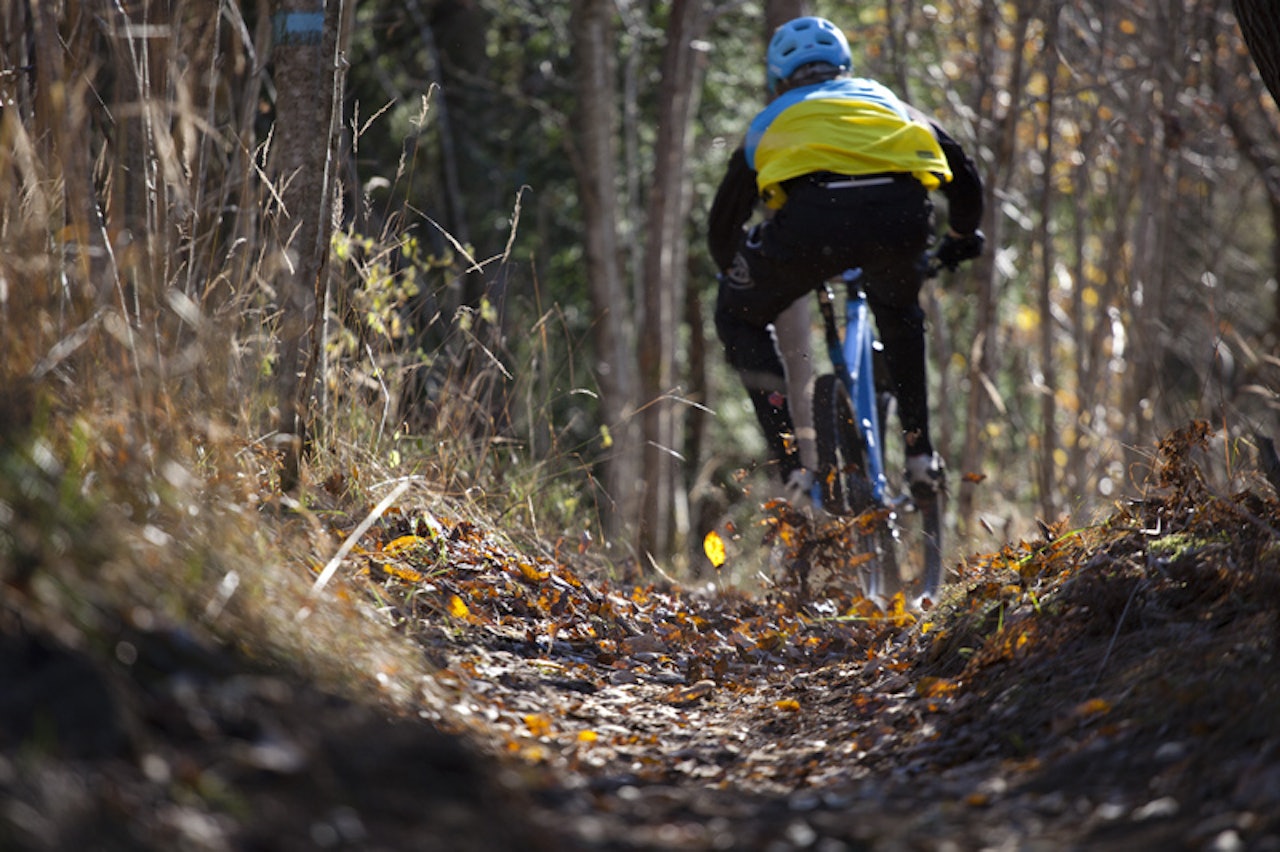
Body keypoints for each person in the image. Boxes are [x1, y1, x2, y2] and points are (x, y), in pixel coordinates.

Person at [708, 15, 985, 504]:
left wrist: (735, 270)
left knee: (737, 316)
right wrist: (961, 235)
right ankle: (920, 456)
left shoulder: (771, 118)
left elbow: (724, 221)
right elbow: (961, 168)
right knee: (900, 314)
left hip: (811, 228)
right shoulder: (889, 102)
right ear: (844, 67)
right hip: (898, 222)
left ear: (778, 79)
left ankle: (792, 466)